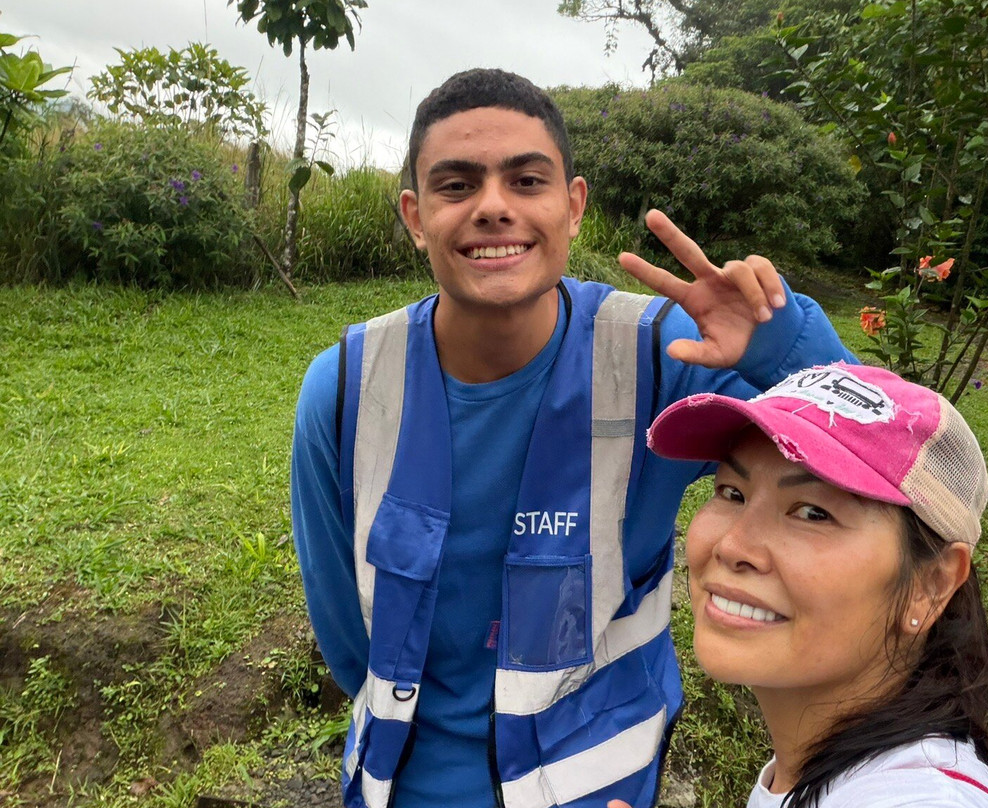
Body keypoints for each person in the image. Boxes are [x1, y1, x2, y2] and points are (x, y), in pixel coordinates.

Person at [290, 68, 856, 808]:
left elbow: (868, 461)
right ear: (415, 216)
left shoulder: (666, 355)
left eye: (526, 181)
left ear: (574, 205)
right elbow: (347, 639)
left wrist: (779, 347)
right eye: (456, 186)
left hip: (601, 788)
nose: (493, 208)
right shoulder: (345, 390)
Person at [635, 362, 988, 808]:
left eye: (813, 512)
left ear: (931, 584)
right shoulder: (826, 768)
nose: (732, 544)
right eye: (731, 492)